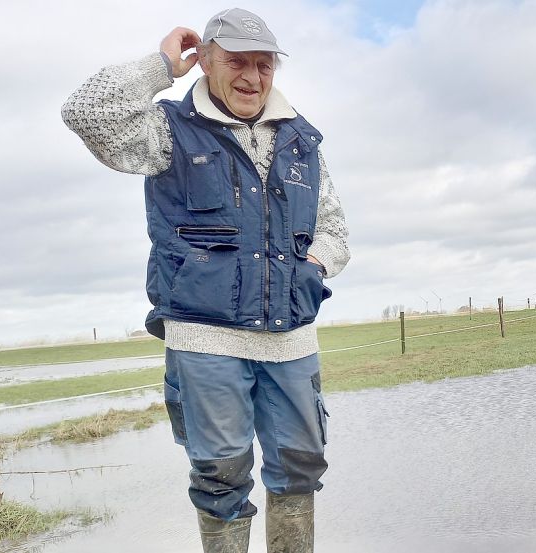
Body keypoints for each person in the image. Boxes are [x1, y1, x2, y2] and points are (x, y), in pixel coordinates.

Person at [62, 8, 350, 552]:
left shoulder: (302, 142)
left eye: (263, 65)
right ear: (205, 63)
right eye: (236, 61)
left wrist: (312, 269)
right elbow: (86, 112)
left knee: (301, 464)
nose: (251, 77)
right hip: (205, 340)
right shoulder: (167, 131)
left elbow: (334, 230)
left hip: (292, 341)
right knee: (221, 474)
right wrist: (159, 65)